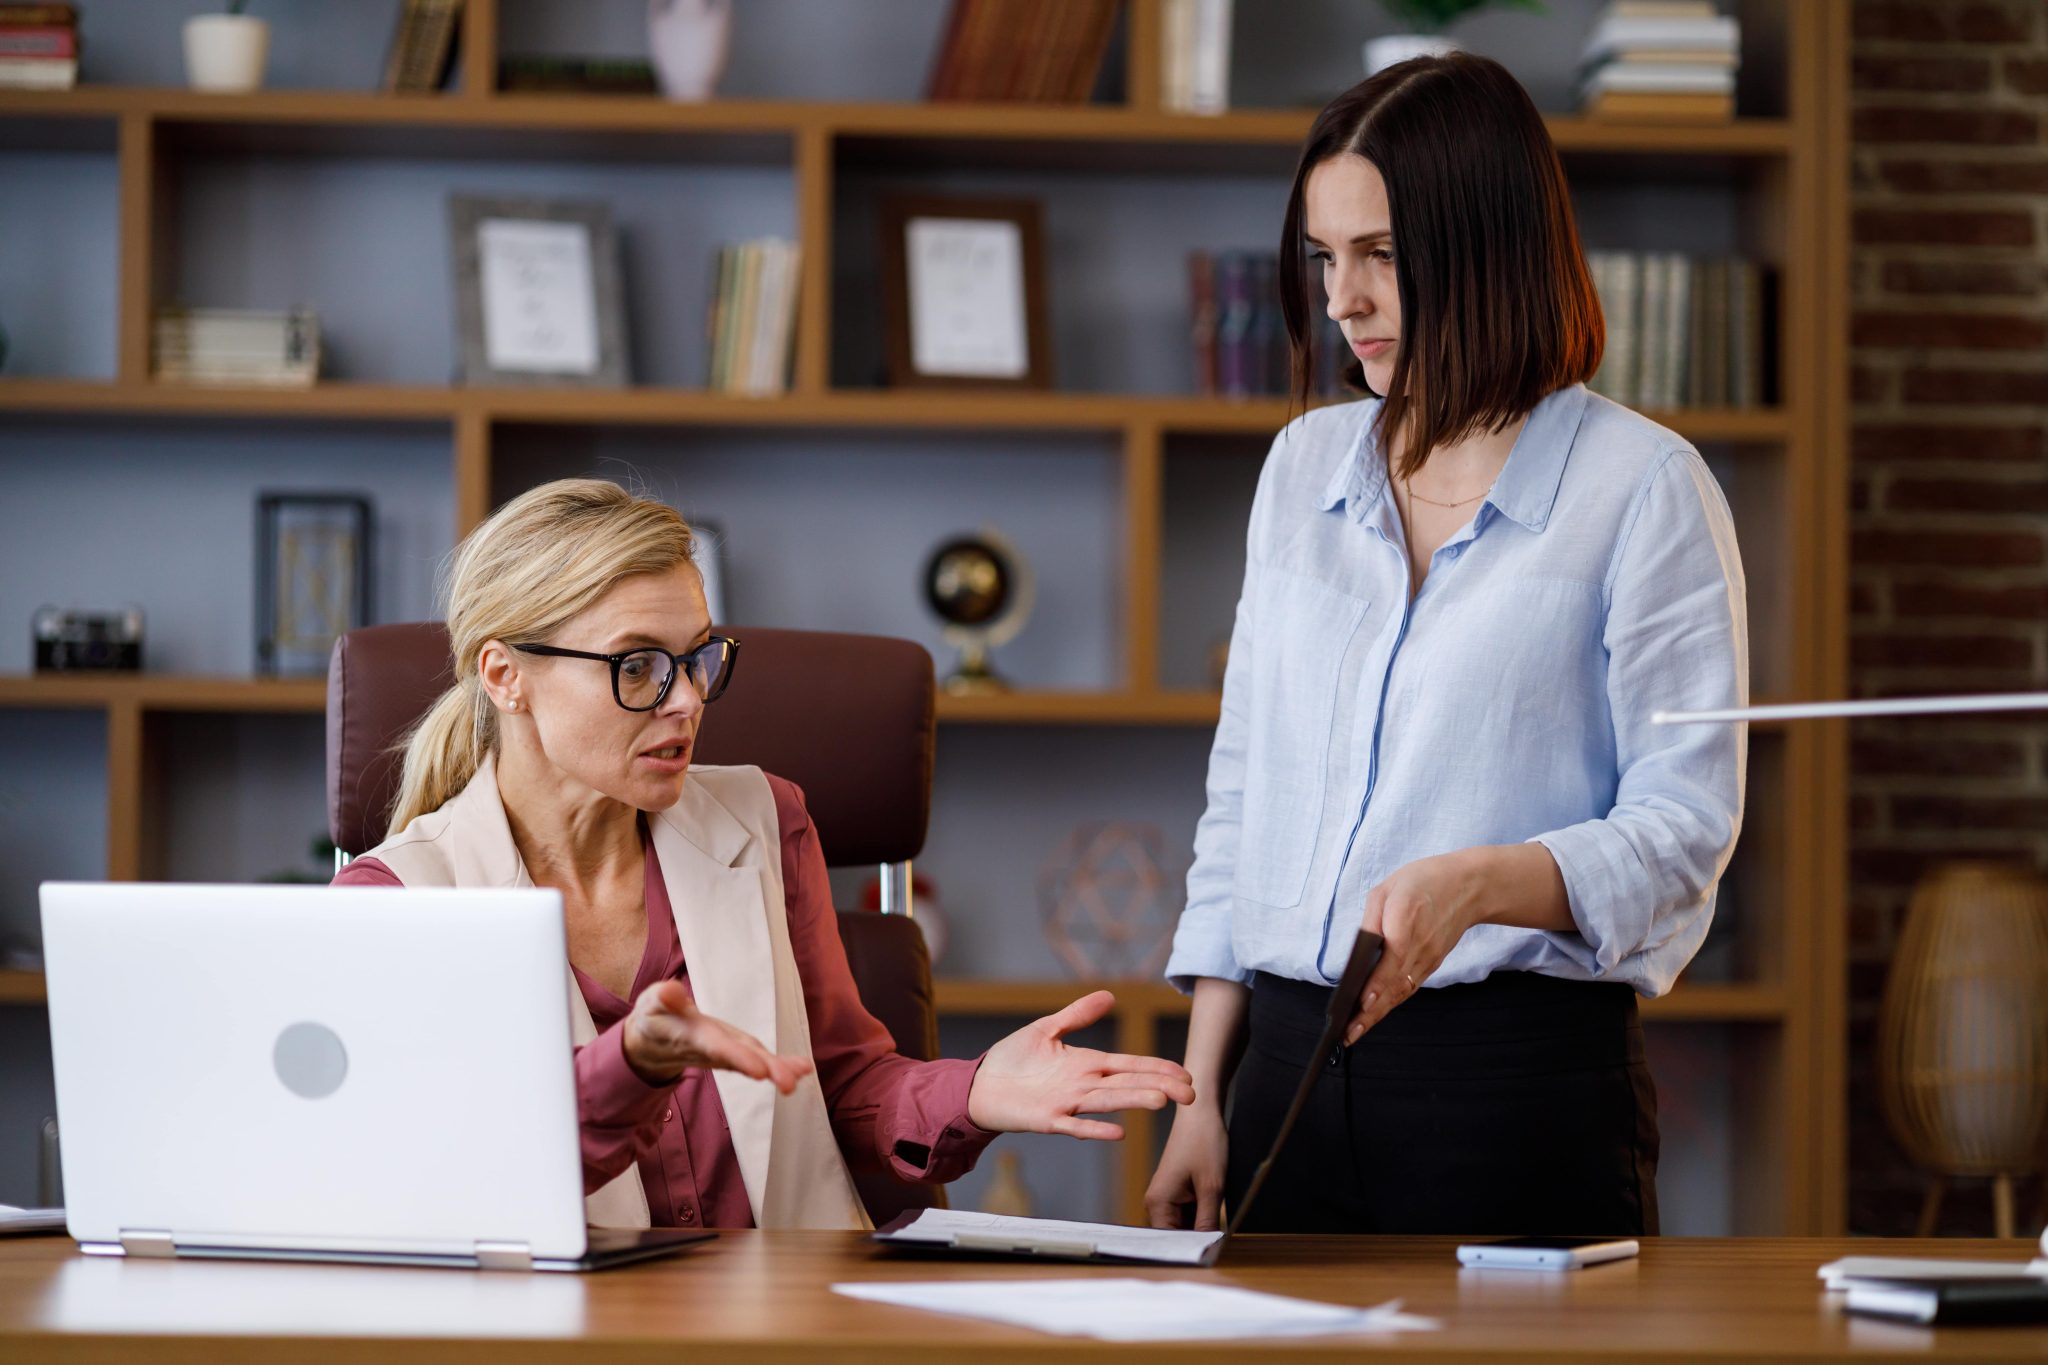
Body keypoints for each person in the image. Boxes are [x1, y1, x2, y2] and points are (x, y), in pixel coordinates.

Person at [1144, 53, 1746, 1237]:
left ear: (1484, 245)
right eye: (1324, 259)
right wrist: (1199, 1090)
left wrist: (1477, 885)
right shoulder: (1301, 468)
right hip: (1278, 1080)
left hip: (1512, 1097)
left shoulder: (1643, 489)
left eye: (1377, 254)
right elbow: (1242, 799)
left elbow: (1682, 833)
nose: (1340, 300)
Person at [334, 478, 1194, 1231]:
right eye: (638, 666)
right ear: (503, 675)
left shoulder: (763, 818)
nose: (687, 702)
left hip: (792, 1319)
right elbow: (456, 1173)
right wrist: (629, 1066)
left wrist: (973, 1092)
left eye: (699, 658)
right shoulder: (403, 903)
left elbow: (845, 1085)